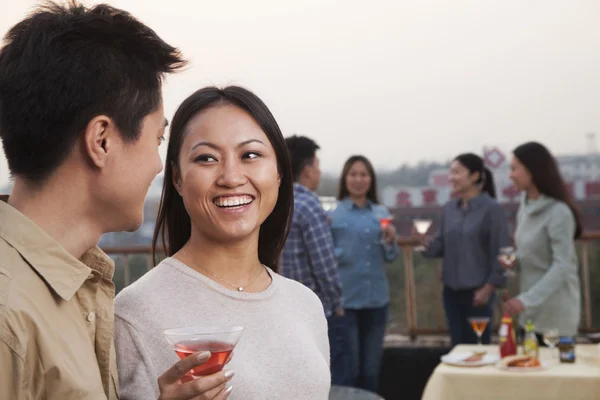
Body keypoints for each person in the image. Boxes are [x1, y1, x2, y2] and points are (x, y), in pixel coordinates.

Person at [0, 2, 222, 399]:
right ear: (101, 140)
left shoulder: (71, 281)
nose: (158, 165)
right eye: (157, 139)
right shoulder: (9, 315)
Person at [114, 86, 331, 399]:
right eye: (206, 158)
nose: (231, 176)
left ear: (280, 172)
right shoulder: (135, 314)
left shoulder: (305, 304)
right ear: (177, 178)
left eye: (250, 155)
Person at [420, 153, 510, 347]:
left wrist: (488, 289)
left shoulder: (491, 209)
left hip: (479, 295)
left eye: (457, 172)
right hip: (451, 293)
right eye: (450, 172)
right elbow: (439, 247)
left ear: (475, 176)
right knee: (457, 349)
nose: (451, 177)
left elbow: (504, 253)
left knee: (478, 350)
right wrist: (423, 242)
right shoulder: (449, 209)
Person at [280, 135, 348, 386]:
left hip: (281, 310)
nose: (319, 172)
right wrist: (337, 304)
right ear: (307, 171)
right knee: (331, 382)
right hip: (315, 311)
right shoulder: (308, 205)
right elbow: (324, 265)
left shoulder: (274, 203)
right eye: (317, 166)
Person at [329, 155, 397, 393]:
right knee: (350, 369)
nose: (359, 179)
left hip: (377, 300)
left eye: (364, 174)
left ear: (371, 180)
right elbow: (325, 255)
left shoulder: (381, 213)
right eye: (353, 174)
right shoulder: (333, 214)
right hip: (345, 302)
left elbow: (390, 256)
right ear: (345, 179)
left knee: (371, 369)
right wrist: (343, 252)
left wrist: (390, 240)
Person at [501, 142, 582, 341]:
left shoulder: (559, 212)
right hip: (530, 314)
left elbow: (562, 265)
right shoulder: (525, 207)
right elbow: (532, 254)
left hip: (557, 317)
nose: (510, 175)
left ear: (532, 170)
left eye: (514, 169)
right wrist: (514, 260)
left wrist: (526, 300)